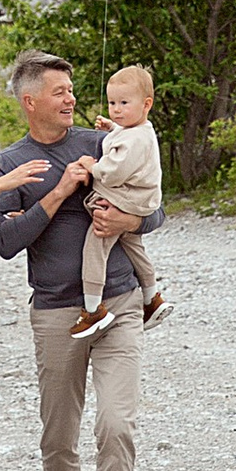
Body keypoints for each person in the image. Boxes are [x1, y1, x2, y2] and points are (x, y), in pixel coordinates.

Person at [0, 46, 163, 471]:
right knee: (59, 430)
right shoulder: (8, 164)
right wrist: (58, 193)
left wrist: (124, 218)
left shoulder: (103, 142)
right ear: (30, 100)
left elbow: (155, 209)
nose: (72, 99)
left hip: (120, 303)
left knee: (117, 425)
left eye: (72, 89)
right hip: (57, 311)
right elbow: (3, 242)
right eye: (60, 92)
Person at [68, 61, 168, 346]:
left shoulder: (134, 139)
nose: (117, 108)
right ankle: (152, 297)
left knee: (96, 243)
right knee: (133, 245)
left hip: (126, 198)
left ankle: (92, 309)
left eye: (124, 103)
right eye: (113, 102)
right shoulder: (140, 129)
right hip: (141, 199)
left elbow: (114, 172)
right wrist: (112, 127)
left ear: (146, 104)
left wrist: (92, 166)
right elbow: (127, 139)